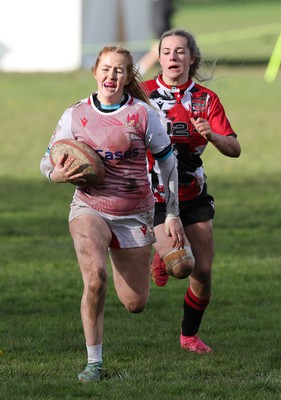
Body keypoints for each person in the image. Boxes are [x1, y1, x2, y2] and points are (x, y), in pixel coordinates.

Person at [40, 45, 188, 382]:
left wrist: (173, 213)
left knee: (134, 303)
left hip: (135, 213)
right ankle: (94, 362)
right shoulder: (75, 115)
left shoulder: (143, 114)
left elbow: (168, 164)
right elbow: (46, 161)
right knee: (95, 278)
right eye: (106, 69)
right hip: (89, 208)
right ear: (95, 71)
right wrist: (56, 174)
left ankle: (154, 253)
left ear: (127, 77)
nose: (111, 76)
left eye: (119, 70)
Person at [142, 29, 241, 353]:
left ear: (192, 58)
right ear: (159, 57)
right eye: (166, 51)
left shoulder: (205, 99)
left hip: (193, 193)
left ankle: (189, 336)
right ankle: (160, 254)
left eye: (180, 51)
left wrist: (211, 134)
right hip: (155, 195)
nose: (173, 57)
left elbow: (235, 148)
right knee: (181, 267)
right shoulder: (142, 95)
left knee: (203, 271)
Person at [137, 0, 175, 76]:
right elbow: (160, 18)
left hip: (163, 28)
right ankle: (136, 73)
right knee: (156, 52)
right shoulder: (160, 3)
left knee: (159, 52)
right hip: (162, 29)